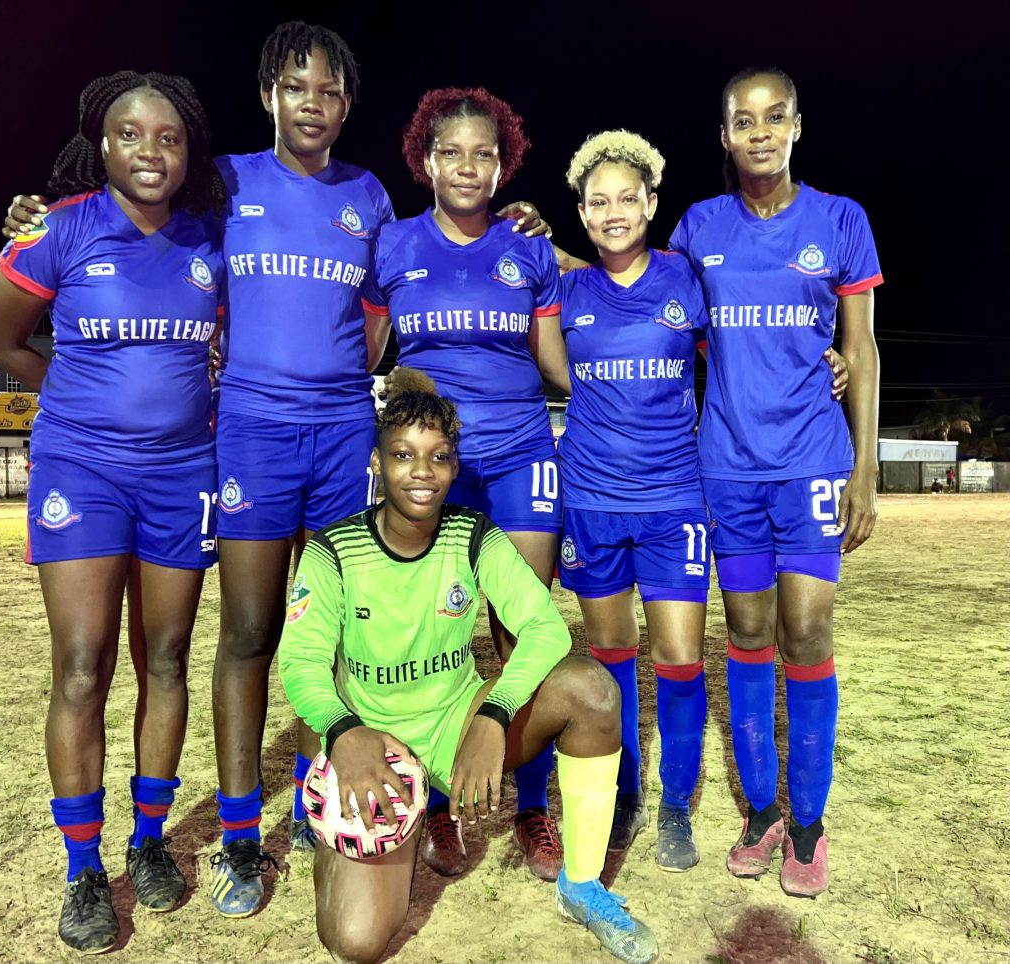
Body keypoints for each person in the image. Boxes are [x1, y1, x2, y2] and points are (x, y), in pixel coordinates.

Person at [1, 24, 550, 917]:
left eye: (330, 92)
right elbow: (145, 229)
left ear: (345, 105)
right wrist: (36, 211)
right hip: (250, 436)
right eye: (297, 87)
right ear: (269, 96)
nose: (313, 104)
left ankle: (316, 798)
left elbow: (382, 313)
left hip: (340, 434)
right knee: (249, 632)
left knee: (328, 637)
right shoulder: (228, 186)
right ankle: (243, 837)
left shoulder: (367, 197)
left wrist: (529, 227)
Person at [277, 368, 659, 964]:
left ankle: (581, 887)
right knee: (356, 942)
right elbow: (300, 662)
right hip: (378, 748)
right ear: (377, 463)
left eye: (438, 457)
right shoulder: (334, 550)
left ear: (455, 467)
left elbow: (545, 628)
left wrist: (494, 715)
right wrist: (344, 732)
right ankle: (359, 830)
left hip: (459, 723)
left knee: (592, 691)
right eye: (403, 455)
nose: (421, 472)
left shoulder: (473, 534)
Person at [0, 70, 225, 952]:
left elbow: (236, 337)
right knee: (82, 666)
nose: (150, 151)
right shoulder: (58, 229)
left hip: (184, 474)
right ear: (101, 143)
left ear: (188, 150)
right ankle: (84, 866)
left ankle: (148, 840)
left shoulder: (210, 242)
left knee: (165, 659)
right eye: (131, 134)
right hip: (80, 471)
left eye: (169, 137)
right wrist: (70, 394)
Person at [668, 66, 881, 897]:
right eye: (742, 120)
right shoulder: (700, 226)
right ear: (724, 136)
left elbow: (860, 351)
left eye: (774, 116)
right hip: (726, 465)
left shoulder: (840, 221)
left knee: (806, 635)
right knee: (748, 635)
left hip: (813, 467)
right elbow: (643, 292)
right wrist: (555, 244)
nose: (759, 131)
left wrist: (864, 470)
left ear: (797, 126)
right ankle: (760, 812)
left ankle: (810, 824)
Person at [361, 87, 563, 881]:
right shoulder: (393, 245)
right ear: (427, 160)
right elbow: (361, 349)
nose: (470, 166)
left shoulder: (530, 248)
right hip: (427, 468)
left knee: (522, 631)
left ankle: (532, 807)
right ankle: (435, 804)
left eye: (486, 153)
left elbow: (558, 365)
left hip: (518, 456)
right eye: (454, 152)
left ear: (503, 161)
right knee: (430, 637)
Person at [533, 131, 712, 871]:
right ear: (580, 211)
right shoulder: (566, 290)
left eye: (626, 198)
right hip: (593, 501)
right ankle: (626, 795)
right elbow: (552, 367)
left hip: (675, 499)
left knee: (678, 656)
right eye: (598, 201)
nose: (614, 211)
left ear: (651, 203)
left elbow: (737, 355)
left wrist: (826, 358)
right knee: (611, 662)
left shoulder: (686, 280)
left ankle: (674, 806)